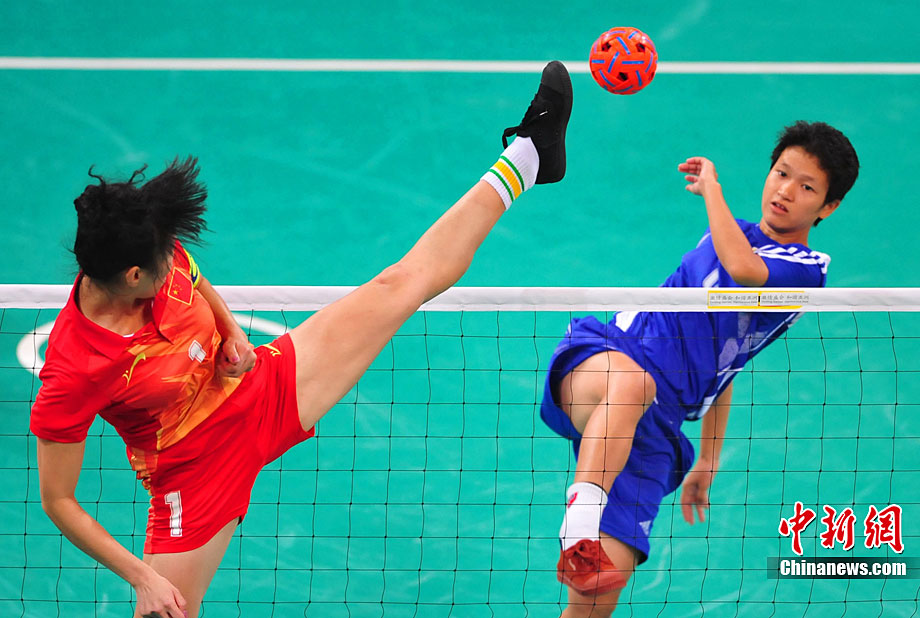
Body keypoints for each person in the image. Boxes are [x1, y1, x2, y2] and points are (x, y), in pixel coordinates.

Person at [30, 61, 573, 618]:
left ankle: (528, 158)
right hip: (194, 474)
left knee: (399, 285)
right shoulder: (74, 368)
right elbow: (58, 500)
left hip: (264, 390)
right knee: (165, 615)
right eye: (161, 264)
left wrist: (232, 332)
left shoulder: (149, 249)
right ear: (129, 277)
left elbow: (194, 278)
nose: (174, 262)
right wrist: (142, 577)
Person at [540, 121, 859, 616]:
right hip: (606, 360)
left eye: (807, 187)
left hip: (657, 427)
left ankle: (588, 550)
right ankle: (578, 528)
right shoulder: (727, 233)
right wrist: (715, 198)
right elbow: (735, 262)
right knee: (633, 383)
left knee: (595, 598)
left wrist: (708, 457)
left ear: (828, 207)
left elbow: (727, 348)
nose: (785, 191)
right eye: (781, 173)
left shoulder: (804, 271)